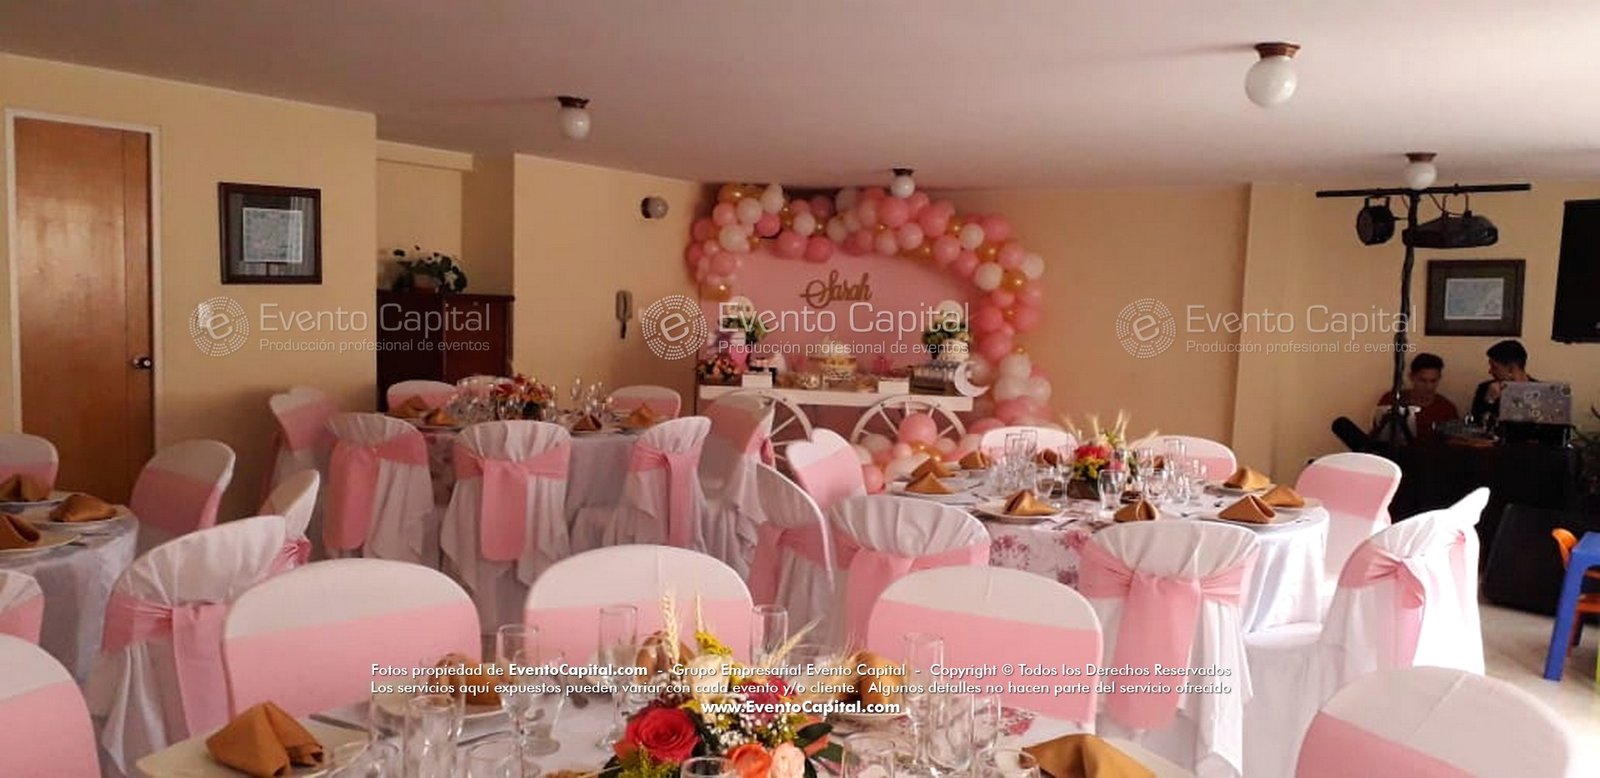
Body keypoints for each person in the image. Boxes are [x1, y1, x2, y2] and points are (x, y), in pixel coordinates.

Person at [1374, 352, 1460, 438]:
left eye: (1433, 381)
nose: (1429, 387)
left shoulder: (1447, 409)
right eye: (1423, 381)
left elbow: (1454, 440)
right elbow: (1378, 434)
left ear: (1439, 378)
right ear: (1411, 377)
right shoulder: (1392, 399)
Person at [1470, 339, 1532, 425]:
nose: (1490, 371)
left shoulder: (1543, 392)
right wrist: (1489, 401)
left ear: (1511, 369)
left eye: (1494, 367)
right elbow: (1474, 424)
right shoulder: (1484, 389)